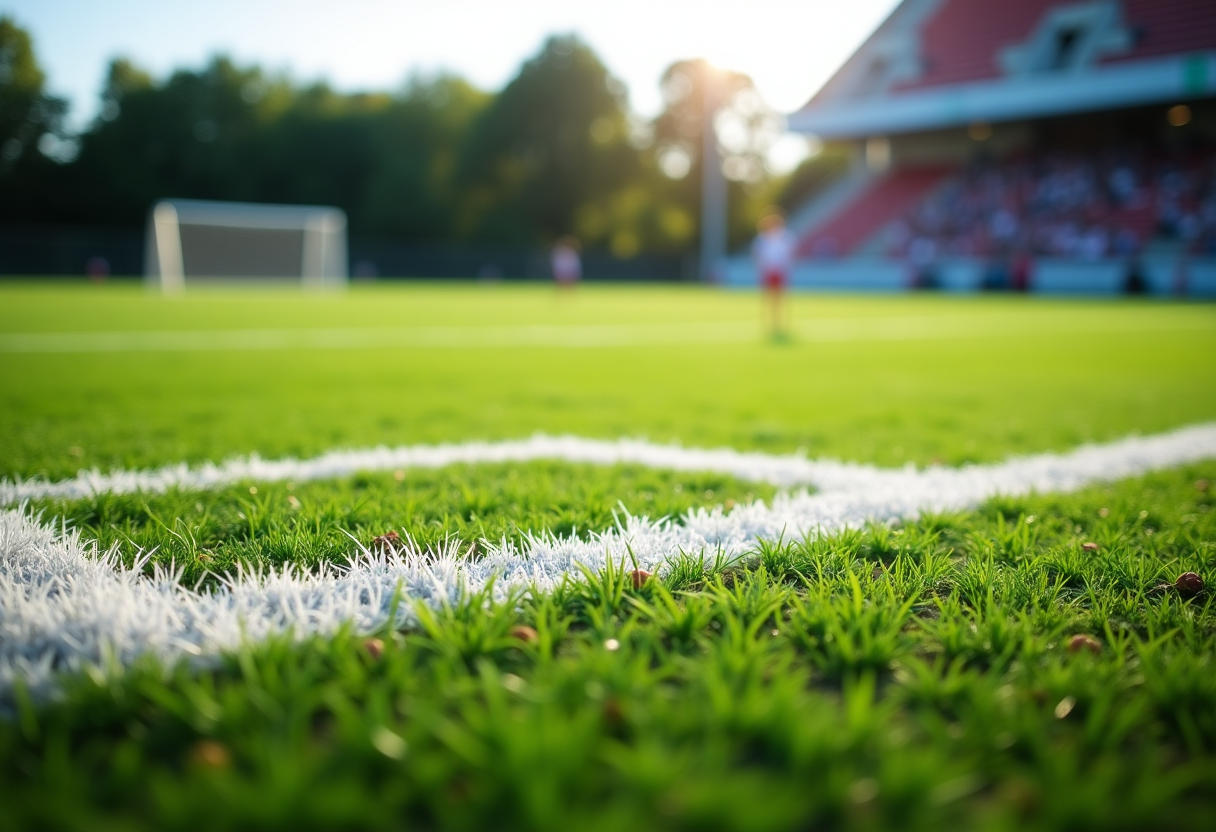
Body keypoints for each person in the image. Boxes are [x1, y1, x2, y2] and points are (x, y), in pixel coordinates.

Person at [752, 209, 797, 339]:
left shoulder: (786, 237)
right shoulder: (762, 238)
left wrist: (788, 267)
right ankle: (770, 322)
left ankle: (778, 322)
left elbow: (791, 253)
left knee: (779, 298)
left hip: (780, 270)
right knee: (768, 297)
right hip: (768, 271)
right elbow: (757, 255)